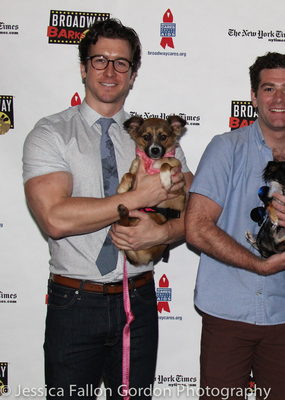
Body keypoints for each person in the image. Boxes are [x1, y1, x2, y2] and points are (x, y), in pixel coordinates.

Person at [22, 18, 193, 398]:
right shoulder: (51, 133)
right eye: (100, 60)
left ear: (133, 75)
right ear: (83, 68)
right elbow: (54, 218)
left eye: (122, 63)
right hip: (75, 303)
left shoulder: (154, 135)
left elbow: (194, 212)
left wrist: (164, 232)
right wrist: (136, 199)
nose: (111, 70)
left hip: (140, 299)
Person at [185, 52, 285, 400]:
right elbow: (197, 227)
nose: (279, 99)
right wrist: (258, 265)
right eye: (269, 88)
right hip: (227, 314)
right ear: (253, 96)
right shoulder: (226, 149)